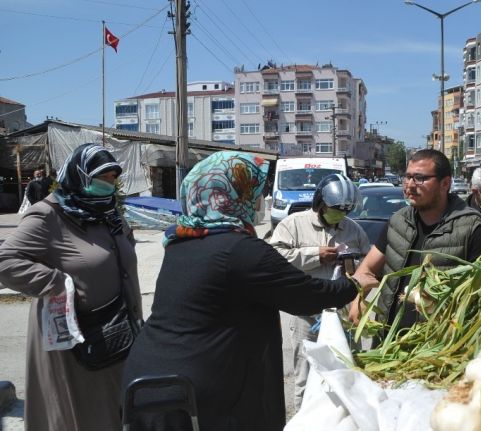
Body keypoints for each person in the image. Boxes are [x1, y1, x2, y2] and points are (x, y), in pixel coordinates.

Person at [120, 152, 377, 431]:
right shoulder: (239, 249)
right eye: (251, 192)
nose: (259, 201)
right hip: (197, 392)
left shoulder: (181, 240)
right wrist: (353, 284)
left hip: (151, 379)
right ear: (231, 196)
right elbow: (305, 293)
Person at [0, 143, 140, 430]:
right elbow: (6, 260)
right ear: (81, 174)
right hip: (77, 339)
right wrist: (56, 282)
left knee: (117, 411)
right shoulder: (49, 214)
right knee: (82, 413)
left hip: (120, 330)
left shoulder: (109, 214)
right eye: (104, 177)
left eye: (114, 177)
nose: (110, 184)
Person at [349, 149, 481, 332]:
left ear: (445, 183)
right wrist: (359, 299)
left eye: (420, 178)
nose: (410, 185)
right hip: (386, 341)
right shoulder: (398, 221)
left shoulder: (472, 228)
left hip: (434, 347)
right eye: (407, 177)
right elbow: (368, 269)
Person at [270, 173, 370, 410]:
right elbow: (274, 258)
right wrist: (315, 255)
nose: (340, 215)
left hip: (341, 312)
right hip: (305, 311)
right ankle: (302, 417)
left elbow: (367, 261)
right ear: (320, 204)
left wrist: (357, 286)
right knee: (305, 371)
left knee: (345, 368)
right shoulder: (294, 224)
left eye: (345, 210)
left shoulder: (353, 229)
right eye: (336, 209)